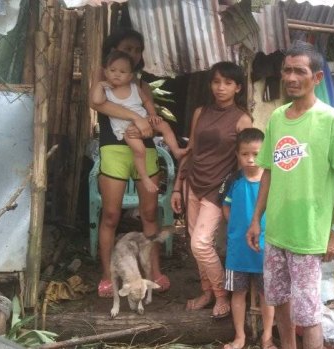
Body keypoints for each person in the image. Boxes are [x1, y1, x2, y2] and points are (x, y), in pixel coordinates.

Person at [246, 42, 334, 349]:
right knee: (279, 302)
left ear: (317, 78)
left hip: (309, 234)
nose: (291, 77)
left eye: (299, 71)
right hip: (277, 230)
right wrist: (256, 220)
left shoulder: (332, 120)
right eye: (287, 70)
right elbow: (268, 172)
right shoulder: (278, 117)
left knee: (309, 314)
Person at [89, 28, 173, 298]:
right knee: (111, 215)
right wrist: (135, 119)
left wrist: (148, 122)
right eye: (127, 48)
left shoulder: (141, 85)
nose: (132, 54)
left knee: (149, 215)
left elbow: (150, 116)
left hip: (145, 150)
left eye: (137, 50)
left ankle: (154, 272)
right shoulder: (103, 78)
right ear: (113, 50)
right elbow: (98, 104)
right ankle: (107, 274)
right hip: (114, 149)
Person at [170, 62, 252, 318]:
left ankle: (221, 295)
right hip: (192, 182)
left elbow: (247, 160)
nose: (221, 87)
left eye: (228, 83)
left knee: (202, 243)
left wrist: (240, 195)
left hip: (218, 188)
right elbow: (191, 149)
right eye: (216, 82)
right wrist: (176, 186)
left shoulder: (242, 119)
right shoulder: (200, 112)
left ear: (238, 87)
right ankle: (206, 291)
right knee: (195, 246)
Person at [91, 50, 187, 194]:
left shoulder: (135, 88)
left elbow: (147, 101)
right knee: (140, 150)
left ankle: (176, 151)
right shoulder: (107, 91)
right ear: (105, 72)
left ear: (130, 76)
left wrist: (153, 115)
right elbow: (96, 101)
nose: (117, 74)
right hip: (126, 129)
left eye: (122, 72)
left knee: (165, 125)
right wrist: (100, 85)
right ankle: (144, 177)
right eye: (112, 70)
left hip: (144, 120)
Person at [222, 128, 276, 349]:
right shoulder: (233, 180)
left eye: (256, 153)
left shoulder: (273, 180)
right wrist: (236, 229)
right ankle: (240, 337)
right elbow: (226, 207)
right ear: (237, 155)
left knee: (267, 295)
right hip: (238, 249)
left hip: (267, 247)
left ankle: (267, 338)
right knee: (238, 293)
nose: (251, 159)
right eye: (245, 154)